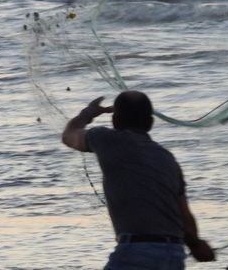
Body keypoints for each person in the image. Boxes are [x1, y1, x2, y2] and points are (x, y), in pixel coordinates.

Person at [61, 91, 216, 269]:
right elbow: (183, 214)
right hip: (173, 255)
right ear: (150, 123)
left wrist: (88, 113)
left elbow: (69, 136)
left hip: (135, 253)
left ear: (114, 121)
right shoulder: (167, 159)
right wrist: (196, 246)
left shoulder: (105, 139)